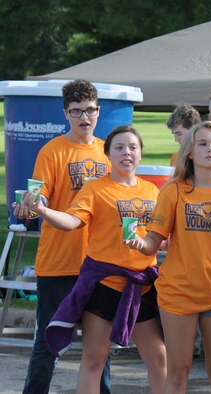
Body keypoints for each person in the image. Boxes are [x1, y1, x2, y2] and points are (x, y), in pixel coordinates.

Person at [24, 126, 167, 393]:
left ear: (140, 154)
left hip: (142, 286)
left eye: (133, 148)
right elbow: (72, 220)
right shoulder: (96, 189)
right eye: (120, 148)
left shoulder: (152, 192)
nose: (127, 153)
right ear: (108, 155)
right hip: (104, 285)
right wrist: (43, 210)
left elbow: (162, 235)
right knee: (94, 360)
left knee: (159, 359)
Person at [126, 121, 211, 393]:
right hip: (178, 294)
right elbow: (153, 242)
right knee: (177, 373)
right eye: (203, 143)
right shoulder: (173, 191)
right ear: (189, 152)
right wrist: (139, 243)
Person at [13, 79, 112, 394]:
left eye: (90, 110)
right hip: (59, 265)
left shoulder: (109, 151)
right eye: (77, 111)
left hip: (100, 265)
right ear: (65, 113)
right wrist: (28, 207)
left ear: (99, 110)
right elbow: (35, 199)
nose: (85, 117)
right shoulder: (52, 151)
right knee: (47, 345)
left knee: (99, 350)